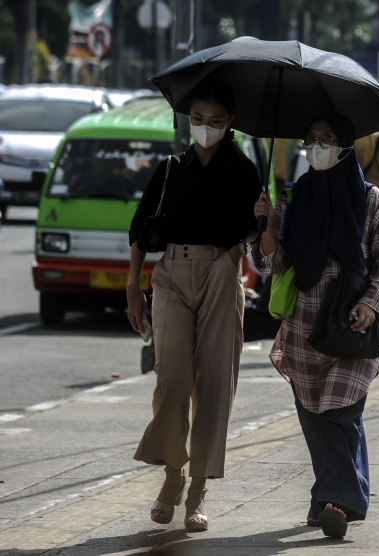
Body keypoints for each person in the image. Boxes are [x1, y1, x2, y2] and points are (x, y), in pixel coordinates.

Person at [252, 113, 379, 538]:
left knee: (340, 410)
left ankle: (341, 501)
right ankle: (326, 498)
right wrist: (264, 225)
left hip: (351, 323)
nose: (317, 147)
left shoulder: (371, 200)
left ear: (346, 144)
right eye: (311, 139)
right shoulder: (293, 198)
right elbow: (273, 263)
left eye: (327, 138)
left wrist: (373, 304)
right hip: (303, 326)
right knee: (314, 416)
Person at [126, 80, 261, 532]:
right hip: (171, 274)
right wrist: (132, 287)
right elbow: (139, 229)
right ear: (188, 119)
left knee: (215, 381)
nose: (205, 128)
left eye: (216, 121)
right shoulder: (170, 169)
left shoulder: (244, 172)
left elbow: (256, 237)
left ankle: (199, 488)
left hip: (222, 272)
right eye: (198, 119)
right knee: (173, 377)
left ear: (230, 124)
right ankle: (172, 475)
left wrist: (260, 221)